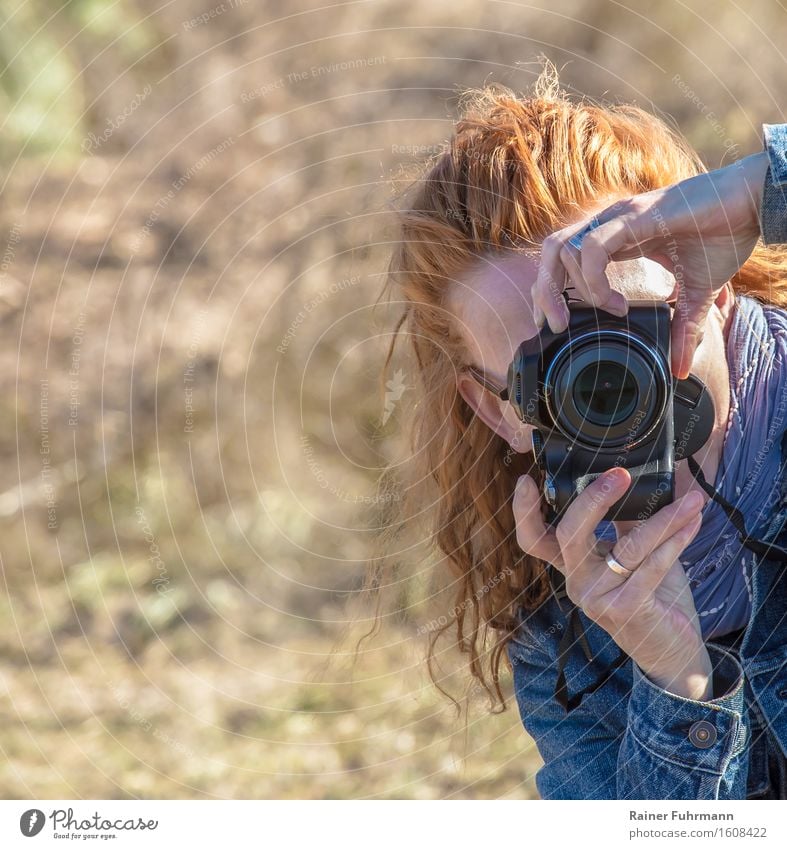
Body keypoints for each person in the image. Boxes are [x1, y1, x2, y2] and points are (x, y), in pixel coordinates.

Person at [379, 62, 787, 799]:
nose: (611, 378)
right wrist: (677, 681)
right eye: (555, 366)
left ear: (714, 285)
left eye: (629, 323)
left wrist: (766, 185)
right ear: (497, 411)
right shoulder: (566, 642)